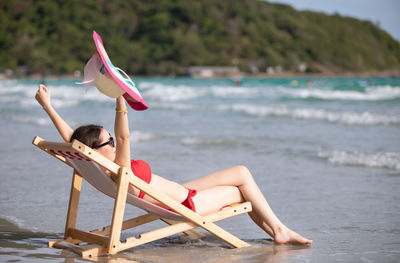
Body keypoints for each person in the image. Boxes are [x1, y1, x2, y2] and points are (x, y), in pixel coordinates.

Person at [35, 84, 312, 245]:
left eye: (112, 142)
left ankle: (279, 231)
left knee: (241, 171)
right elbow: (124, 134)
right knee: (242, 189)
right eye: (110, 143)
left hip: (177, 193)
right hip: (184, 206)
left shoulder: (92, 164)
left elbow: (73, 141)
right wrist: (120, 98)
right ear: (99, 150)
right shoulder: (121, 172)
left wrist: (48, 106)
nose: (116, 145)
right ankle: (279, 231)